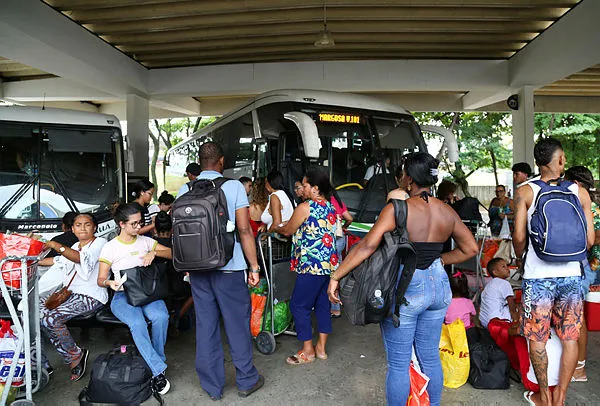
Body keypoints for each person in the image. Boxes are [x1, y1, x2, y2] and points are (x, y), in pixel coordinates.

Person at [327, 152, 478, 405]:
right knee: (430, 356)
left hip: (407, 287)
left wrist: (336, 276)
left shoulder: (398, 209)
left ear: (408, 178)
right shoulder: (447, 210)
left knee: (398, 364)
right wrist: (441, 260)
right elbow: (470, 248)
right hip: (439, 286)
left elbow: (367, 246)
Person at [513, 137, 594, 406]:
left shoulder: (525, 191)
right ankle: (561, 397)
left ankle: (545, 397)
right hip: (571, 275)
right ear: (559, 160)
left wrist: (521, 255)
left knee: (536, 336)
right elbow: (590, 241)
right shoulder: (579, 192)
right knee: (570, 334)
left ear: (538, 162)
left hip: (537, 277)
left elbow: (519, 237)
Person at [187, 142, 264, 401]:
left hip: (197, 269)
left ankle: (212, 387)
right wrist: (254, 267)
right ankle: (246, 380)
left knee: (206, 325)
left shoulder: (184, 190)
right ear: (220, 161)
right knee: (236, 324)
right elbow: (244, 231)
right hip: (229, 267)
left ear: (200, 162)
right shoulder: (232, 187)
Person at [97, 203, 173, 395]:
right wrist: (109, 283)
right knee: (138, 324)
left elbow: (172, 253)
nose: (139, 227)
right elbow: (100, 279)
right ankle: (158, 370)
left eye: (140, 223)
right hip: (122, 296)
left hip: (147, 293)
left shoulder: (146, 242)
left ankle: (155, 361)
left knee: (161, 317)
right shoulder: (110, 247)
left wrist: (154, 252)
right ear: (121, 224)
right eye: (134, 224)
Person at [274, 168, 338, 365]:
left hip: (311, 265)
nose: (302, 188)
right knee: (322, 304)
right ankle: (321, 349)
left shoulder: (306, 207)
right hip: (328, 265)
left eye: (305, 185)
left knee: (298, 305)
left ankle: (308, 350)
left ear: (315, 188)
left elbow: (289, 230)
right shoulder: (330, 207)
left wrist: (276, 227)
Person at [40, 213, 108, 381]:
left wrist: (56, 245)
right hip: (71, 294)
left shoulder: (101, 243)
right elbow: (59, 260)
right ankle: (40, 364)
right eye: (78, 225)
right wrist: (33, 260)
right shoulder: (76, 244)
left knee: (51, 319)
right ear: (72, 228)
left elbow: (79, 259)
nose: (83, 228)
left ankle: (75, 356)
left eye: (87, 224)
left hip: (91, 295)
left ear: (95, 227)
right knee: (33, 314)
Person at [564, 165, 597, 382]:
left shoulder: (588, 207)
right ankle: (576, 365)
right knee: (577, 316)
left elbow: (592, 238)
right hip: (587, 265)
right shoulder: (588, 205)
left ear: (575, 183)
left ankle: (579, 367)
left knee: (579, 317)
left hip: (587, 265)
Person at [329, 188, 353, 318]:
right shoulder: (339, 202)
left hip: (330, 241)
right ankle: (336, 306)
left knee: (329, 274)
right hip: (341, 239)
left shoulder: (325, 202)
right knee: (337, 272)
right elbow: (349, 218)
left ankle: (333, 307)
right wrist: (343, 228)